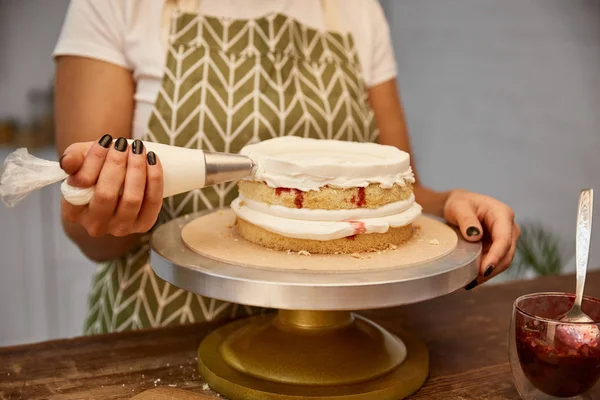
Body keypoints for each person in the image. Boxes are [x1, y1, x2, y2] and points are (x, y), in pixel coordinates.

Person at [53, 0, 519, 334]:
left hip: (340, 331)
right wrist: (109, 210)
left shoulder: (357, 10)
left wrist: (451, 204)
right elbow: (87, 235)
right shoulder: (114, 6)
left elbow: (396, 195)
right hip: (165, 326)